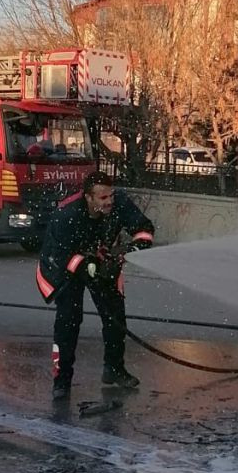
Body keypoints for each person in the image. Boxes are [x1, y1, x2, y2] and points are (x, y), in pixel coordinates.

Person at [35, 171, 154, 400]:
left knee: (115, 317)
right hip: (65, 269)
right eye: (102, 198)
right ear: (88, 198)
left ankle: (114, 369)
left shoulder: (119, 203)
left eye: (110, 195)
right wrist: (88, 266)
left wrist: (128, 251)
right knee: (69, 320)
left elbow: (144, 228)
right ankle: (62, 380)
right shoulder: (66, 214)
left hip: (100, 262)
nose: (109, 201)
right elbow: (60, 256)